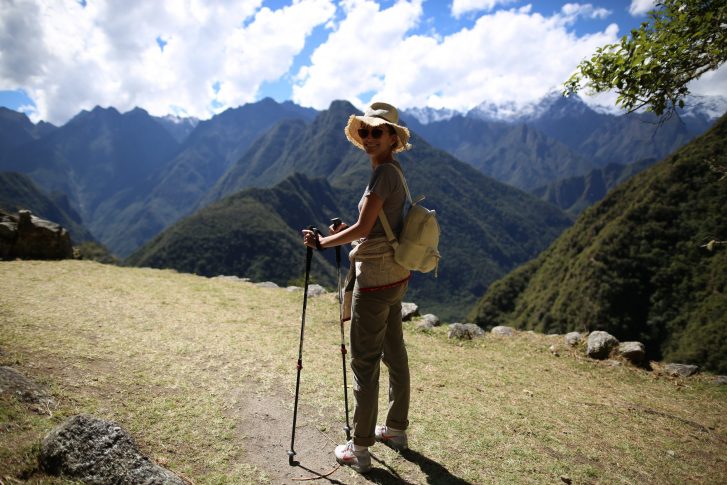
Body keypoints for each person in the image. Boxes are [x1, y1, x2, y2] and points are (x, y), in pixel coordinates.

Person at [302, 102, 413, 473]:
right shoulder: (392, 171)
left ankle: (360, 448)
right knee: (394, 353)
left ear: (392, 138)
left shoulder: (383, 174)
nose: (368, 137)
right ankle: (395, 429)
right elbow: (375, 225)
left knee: (365, 363)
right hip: (396, 275)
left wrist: (322, 242)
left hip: (375, 281)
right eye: (364, 131)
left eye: (377, 132)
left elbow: (364, 228)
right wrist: (346, 233)